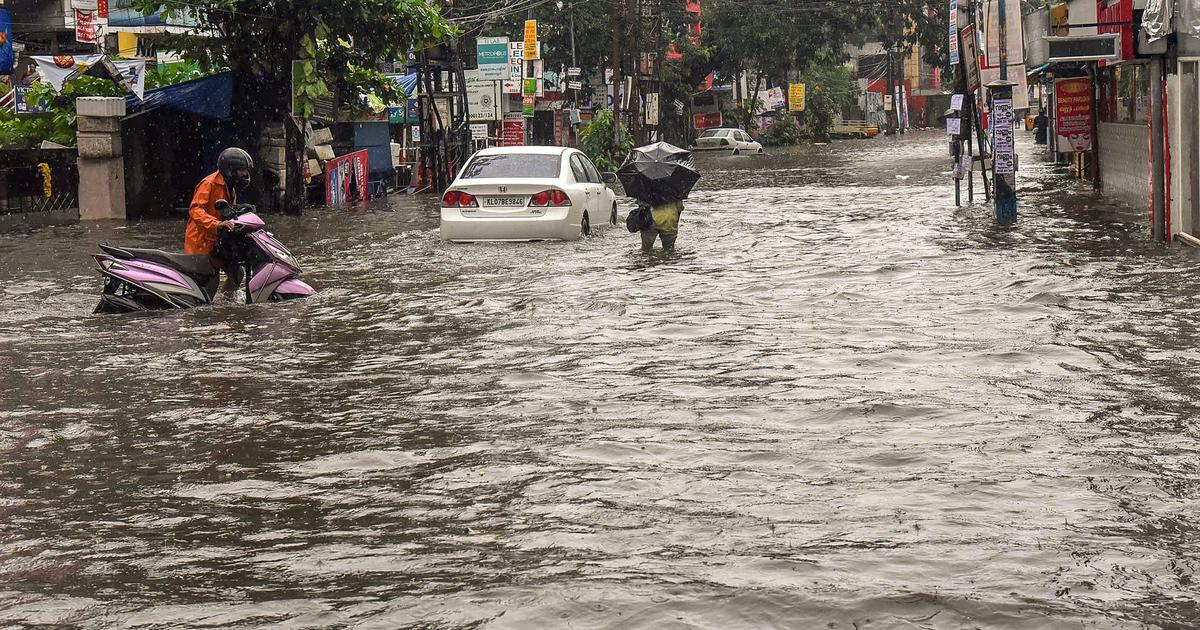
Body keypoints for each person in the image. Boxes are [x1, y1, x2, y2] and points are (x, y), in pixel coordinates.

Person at [184, 147, 254, 294]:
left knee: (237, 273)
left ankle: (226, 305)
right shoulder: (209, 183)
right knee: (211, 280)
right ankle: (206, 313)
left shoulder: (230, 187)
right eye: (241, 169)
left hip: (218, 242)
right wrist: (216, 224)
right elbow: (195, 210)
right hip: (201, 243)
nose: (245, 174)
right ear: (230, 169)